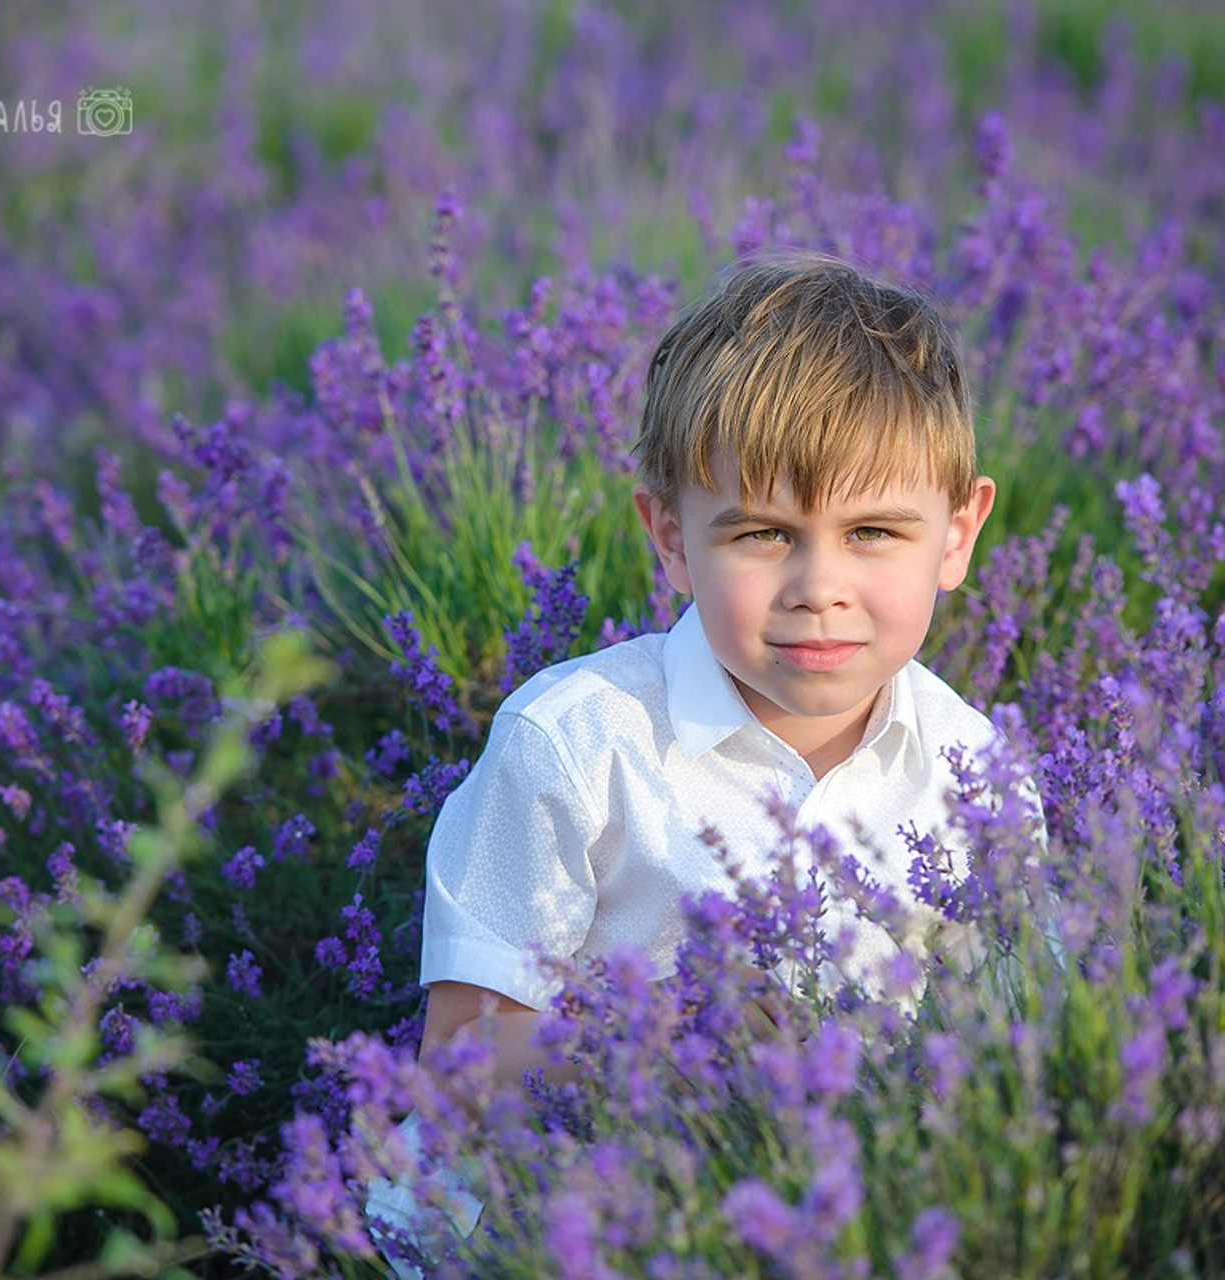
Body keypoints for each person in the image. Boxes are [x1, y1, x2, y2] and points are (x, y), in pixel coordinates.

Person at [367, 252, 1010, 1272]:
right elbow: (460, 1058)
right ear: (669, 536)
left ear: (956, 534)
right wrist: (671, 1050)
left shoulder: (976, 770)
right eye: (760, 532)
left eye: (873, 532)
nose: (818, 585)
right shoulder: (575, 742)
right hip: (546, 1220)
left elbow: (1009, 1050)